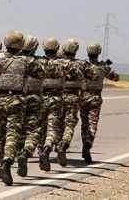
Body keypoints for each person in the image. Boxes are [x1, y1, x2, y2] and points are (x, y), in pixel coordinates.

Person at [0, 30, 45, 186]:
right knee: (13, 133)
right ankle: (7, 163)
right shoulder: (26, 61)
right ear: (21, 44)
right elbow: (41, 73)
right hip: (17, 100)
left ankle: (1, 164)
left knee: (1, 133)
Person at [37, 37, 80, 172]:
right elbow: (79, 75)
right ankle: (62, 146)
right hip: (66, 97)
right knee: (67, 124)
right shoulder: (68, 64)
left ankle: (41, 152)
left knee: (42, 126)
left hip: (43, 98)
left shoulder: (38, 62)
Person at [80, 41, 120, 164]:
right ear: (98, 52)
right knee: (93, 124)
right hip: (95, 98)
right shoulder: (103, 67)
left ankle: (84, 146)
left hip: (83, 97)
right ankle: (87, 145)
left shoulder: (82, 65)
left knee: (84, 123)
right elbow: (116, 77)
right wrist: (104, 69)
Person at [16, 35, 47, 177]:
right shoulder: (36, 62)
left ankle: (16, 155)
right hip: (35, 98)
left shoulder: (15, 61)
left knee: (20, 128)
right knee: (36, 128)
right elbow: (47, 74)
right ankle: (26, 152)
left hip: (19, 98)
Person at [55, 38, 85, 167]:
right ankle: (64, 144)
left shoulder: (56, 63)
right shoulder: (81, 64)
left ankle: (57, 144)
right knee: (70, 123)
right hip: (73, 96)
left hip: (58, 95)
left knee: (58, 121)